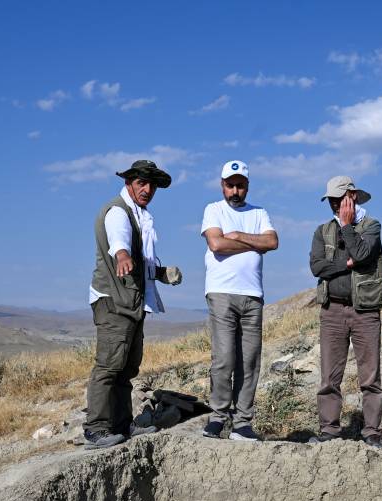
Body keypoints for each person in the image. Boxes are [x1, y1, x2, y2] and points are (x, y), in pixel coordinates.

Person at [84, 159, 182, 449]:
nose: (148, 189)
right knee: (109, 367)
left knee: (126, 368)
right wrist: (123, 256)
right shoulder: (118, 212)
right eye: (142, 182)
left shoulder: (140, 215)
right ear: (129, 182)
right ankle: (96, 428)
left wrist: (161, 274)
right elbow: (119, 241)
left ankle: (121, 424)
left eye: (152, 184)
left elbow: (141, 261)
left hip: (132, 303)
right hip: (114, 302)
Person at [200, 160, 278, 441]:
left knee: (250, 360)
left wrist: (237, 236)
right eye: (230, 185)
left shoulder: (259, 212)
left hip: (252, 295)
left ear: (247, 186)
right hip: (222, 292)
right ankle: (219, 416)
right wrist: (253, 242)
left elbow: (272, 242)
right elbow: (216, 244)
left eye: (240, 185)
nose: (235, 190)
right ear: (222, 185)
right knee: (224, 358)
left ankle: (243, 421)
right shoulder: (213, 210)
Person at [307, 175, 382, 450]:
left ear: (351, 196)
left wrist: (348, 226)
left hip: (365, 310)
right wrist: (347, 263)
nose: (333, 205)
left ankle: (372, 433)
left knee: (370, 377)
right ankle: (329, 430)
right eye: (330, 200)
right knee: (329, 377)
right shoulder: (322, 231)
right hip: (332, 310)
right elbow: (318, 268)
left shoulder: (371, 226)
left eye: (338, 199)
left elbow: (363, 252)